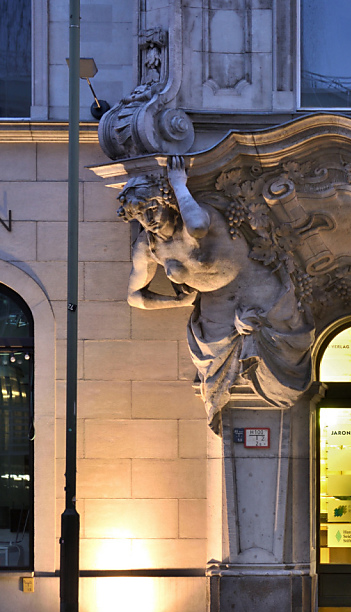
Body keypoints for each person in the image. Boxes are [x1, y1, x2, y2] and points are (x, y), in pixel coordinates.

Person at [119, 157, 314, 431]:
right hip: (217, 320)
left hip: (261, 299)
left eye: (152, 208)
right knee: (224, 391)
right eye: (140, 214)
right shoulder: (148, 247)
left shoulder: (198, 216)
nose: (148, 220)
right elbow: (135, 297)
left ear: (167, 202)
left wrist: (178, 183)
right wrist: (177, 301)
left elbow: (197, 226)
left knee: (279, 377)